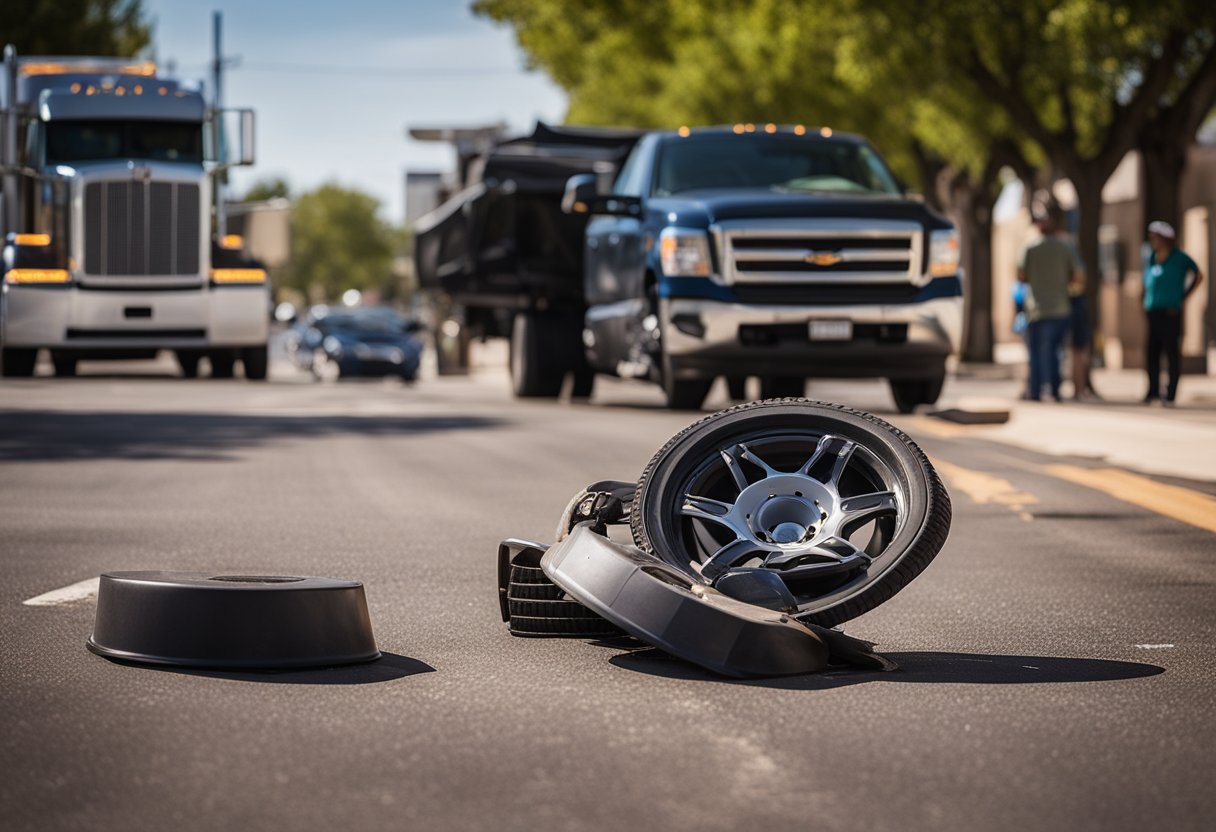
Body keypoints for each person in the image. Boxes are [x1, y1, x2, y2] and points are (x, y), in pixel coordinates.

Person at [1018, 197, 1083, 401]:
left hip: (1035, 308)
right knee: (1055, 351)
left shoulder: (1030, 248)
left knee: (1036, 352)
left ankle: (1036, 391)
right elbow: (1079, 275)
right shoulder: (1065, 247)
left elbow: (1020, 275)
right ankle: (1055, 390)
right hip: (1060, 307)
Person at [1142, 220, 1205, 406]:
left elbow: (1198, 275)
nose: (1152, 240)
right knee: (1152, 352)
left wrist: (1184, 295)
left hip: (1171, 311)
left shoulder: (1179, 258)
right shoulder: (1152, 257)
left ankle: (1170, 393)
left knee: (1171, 352)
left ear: (1165, 239)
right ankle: (1153, 390)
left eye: (1155, 237)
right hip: (1153, 310)